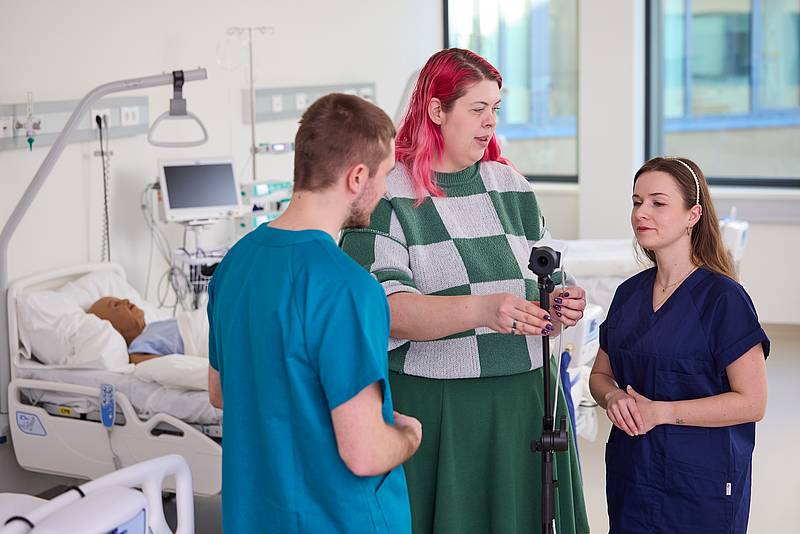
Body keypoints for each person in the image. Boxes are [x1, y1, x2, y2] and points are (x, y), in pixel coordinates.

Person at [340, 48, 589, 534]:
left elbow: (548, 273)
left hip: (523, 400)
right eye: (477, 109)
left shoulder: (510, 185)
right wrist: (484, 310)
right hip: (441, 410)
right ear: (436, 110)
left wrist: (561, 300)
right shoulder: (388, 196)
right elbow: (387, 312)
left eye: (495, 109)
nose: (489, 122)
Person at [207, 93, 421, 533]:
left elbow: (221, 393)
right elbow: (364, 453)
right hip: (342, 518)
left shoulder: (235, 264)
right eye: (384, 177)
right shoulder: (349, 288)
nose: (384, 192)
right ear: (357, 176)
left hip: (257, 517)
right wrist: (405, 434)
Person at [589, 156, 769, 533]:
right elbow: (600, 375)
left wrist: (663, 412)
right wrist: (612, 398)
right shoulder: (628, 294)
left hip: (700, 482)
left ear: (693, 214)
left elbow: (753, 402)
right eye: (637, 202)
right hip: (632, 475)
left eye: (658, 202)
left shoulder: (724, 299)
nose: (642, 213)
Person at [88, 296, 183, 364]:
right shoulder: (138, 346)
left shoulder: (152, 326)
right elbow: (171, 366)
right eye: (116, 305)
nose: (126, 300)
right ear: (113, 328)